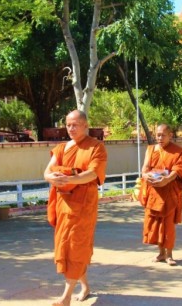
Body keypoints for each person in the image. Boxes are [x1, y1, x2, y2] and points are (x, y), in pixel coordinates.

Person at [44, 110, 108, 305]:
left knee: (76, 247)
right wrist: (51, 177)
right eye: (68, 124)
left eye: (75, 125)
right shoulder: (62, 148)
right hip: (64, 205)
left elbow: (92, 174)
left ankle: (66, 297)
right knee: (67, 248)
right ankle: (85, 286)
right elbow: (47, 171)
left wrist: (71, 179)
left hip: (83, 207)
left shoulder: (96, 147)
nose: (71, 128)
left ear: (85, 125)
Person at [141, 124, 182, 266]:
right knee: (155, 224)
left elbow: (179, 169)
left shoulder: (178, 151)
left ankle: (169, 255)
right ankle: (161, 253)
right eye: (158, 135)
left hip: (168, 191)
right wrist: (145, 175)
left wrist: (167, 179)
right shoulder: (150, 150)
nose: (160, 138)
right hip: (154, 191)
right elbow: (145, 167)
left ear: (170, 135)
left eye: (163, 135)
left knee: (167, 225)